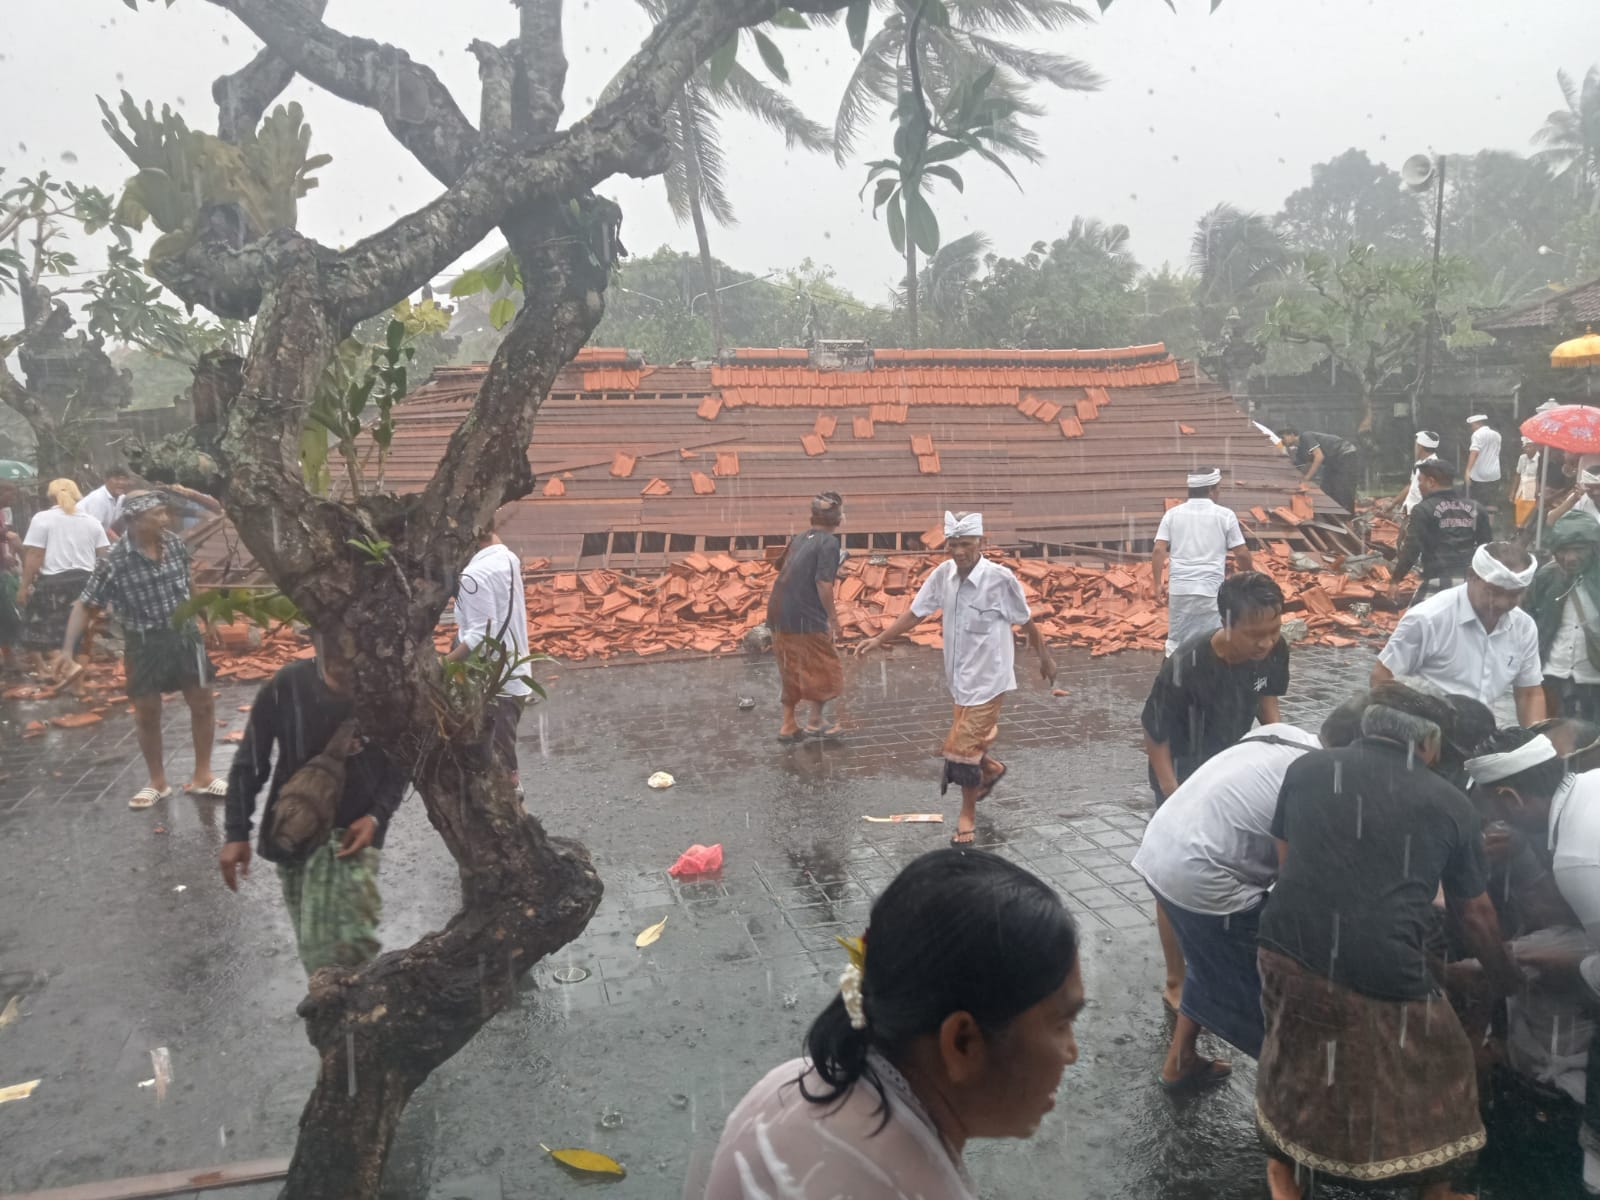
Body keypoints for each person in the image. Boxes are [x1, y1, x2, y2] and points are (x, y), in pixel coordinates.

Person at [703, 849, 1083, 1200]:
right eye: (1062, 1023)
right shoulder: (907, 1185)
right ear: (962, 1042)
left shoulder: (789, 1083)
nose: (1072, 1053)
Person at [1255, 702, 1522, 1200]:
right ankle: (1435, 1190)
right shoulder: (1448, 802)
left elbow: (1289, 861)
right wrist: (1505, 976)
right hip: (1377, 964)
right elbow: (1476, 915)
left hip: (1281, 945)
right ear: (1427, 744)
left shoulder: (1308, 768)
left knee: (1293, 1053)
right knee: (1442, 1061)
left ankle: (1283, 1175)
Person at [1132, 721, 1320, 1090]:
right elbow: (1296, 878)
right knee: (1261, 984)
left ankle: (1180, 1062)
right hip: (1204, 878)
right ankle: (1291, 1098)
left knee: (1209, 959)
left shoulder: (1286, 734)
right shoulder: (1320, 784)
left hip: (1160, 848)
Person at [856, 512, 1056, 847]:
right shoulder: (942, 576)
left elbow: (1026, 622)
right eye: (953, 544)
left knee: (960, 749)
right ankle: (990, 770)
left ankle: (967, 818)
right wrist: (880, 638)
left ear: (981, 543)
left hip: (990, 679)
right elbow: (915, 613)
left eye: (966, 544)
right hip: (959, 679)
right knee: (968, 743)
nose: (959, 551)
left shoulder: (1000, 580)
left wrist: (1046, 658)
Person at [1141, 570, 1290, 1010]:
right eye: (1253, 634)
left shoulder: (1274, 651)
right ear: (1226, 624)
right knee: (1171, 875)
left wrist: (1284, 752)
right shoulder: (1186, 663)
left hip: (1233, 769)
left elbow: (1267, 705)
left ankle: (1222, 956)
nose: (1264, 643)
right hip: (1183, 772)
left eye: (1273, 631)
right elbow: (1155, 734)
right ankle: (1176, 978)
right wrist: (1172, 793)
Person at [220, 636, 410, 976]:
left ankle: (353, 1019)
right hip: (293, 836)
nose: (344, 668)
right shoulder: (287, 686)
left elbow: (403, 761)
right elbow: (250, 762)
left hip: (351, 839)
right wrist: (236, 832)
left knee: (343, 950)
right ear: (318, 641)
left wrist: (376, 816)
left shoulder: (385, 691)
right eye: (335, 656)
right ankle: (348, 1016)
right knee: (316, 949)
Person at [1465, 727, 1600, 1197]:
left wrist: (1526, 965)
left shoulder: (1579, 856)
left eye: (1490, 807)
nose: (1489, 819)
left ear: (1510, 797)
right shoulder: (1589, 787)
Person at [58, 492, 218, 808]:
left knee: (202, 703)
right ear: (133, 520)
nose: (165, 519)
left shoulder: (174, 544)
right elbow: (85, 604)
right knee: (147, 712)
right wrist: (66, 652)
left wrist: (206, 618)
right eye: (156, 514)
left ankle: (203, 775)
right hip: (143, 643)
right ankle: (157, 782)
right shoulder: (114, 561)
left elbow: (188, 582)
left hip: (186, 637)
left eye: (164, 513)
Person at [1374, 541, 1546, 726]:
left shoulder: (1524, 627)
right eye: (1493, 592)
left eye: (1514, 595)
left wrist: (1537, 744)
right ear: (1471, 576)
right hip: (1427, 736)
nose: (1502, 603)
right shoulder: (1427, 619)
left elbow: (1529, 693)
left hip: (1481, 737)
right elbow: (1382, 678)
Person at [447, 526, 532, 781]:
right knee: (502, 751)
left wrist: (441, 665)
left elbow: (480, 636)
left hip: (493, 680)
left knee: (498, 761)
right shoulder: (507, 558)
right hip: (514, 674)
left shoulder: (474, 575)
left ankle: (512, 807)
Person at [768, 492, 845, 741]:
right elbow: (823, 584)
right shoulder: (829, 543)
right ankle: (814, 721)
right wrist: (833, 620)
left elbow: (779, 566)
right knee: (823, 665)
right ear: (837, 518)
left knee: (790, 666)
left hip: (779, 610)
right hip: (804, 613)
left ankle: (788, 725)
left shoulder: (801, 537)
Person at [1151, 467, 1252, 656]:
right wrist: (1251, 576)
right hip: (1210, 590)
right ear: (1212, 490)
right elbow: (1242, 553)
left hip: (1180, 589)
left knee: (1176, 641)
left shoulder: (1172, 514)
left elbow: (1158, 549)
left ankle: (1174, 678)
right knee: (1211, 641)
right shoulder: (1225, 515)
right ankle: (1206, 680)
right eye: (1219, 489)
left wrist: (1157, 584)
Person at [17, 478, 109, 676]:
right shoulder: (92, 522)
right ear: (77, 495)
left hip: (54, 584)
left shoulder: (42, 518)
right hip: (87, 582)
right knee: (81, 634)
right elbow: (104, 558)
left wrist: (24, 587)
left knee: (44, 631)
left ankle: (67, 668)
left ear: (50, 496)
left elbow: (35, 555)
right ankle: (78, 686)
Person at [1524, 513, 1600, 721]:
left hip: (1594, 679)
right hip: (1553, 675)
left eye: (1578, 549)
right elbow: (1527, 621)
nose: (1570, 557)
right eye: (1563, 550)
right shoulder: (1546, 578)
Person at [1388, 457, 1491, 604]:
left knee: (1417, 623)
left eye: (1420, 481)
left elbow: (1412, 548)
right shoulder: (1476, 508)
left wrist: (1395, 580)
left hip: (1437, 580)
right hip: (1470, 583)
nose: (1418, 486)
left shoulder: (1423, 510)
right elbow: (1486, 548)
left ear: (1431, 482)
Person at [1280, 426, 1359, 513]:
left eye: (1283, 437)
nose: (1282, 441)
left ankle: (1348, 517)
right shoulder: (1301, 452)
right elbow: (1299, 467)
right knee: (1326, 488)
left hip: (1345, 454)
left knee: (1342, 488)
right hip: (1332, 462)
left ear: (1292, 435)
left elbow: (1319, 457)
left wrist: (1307, 478)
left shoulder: (1306, 436)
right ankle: (1335, 514)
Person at [1383, 429, 1442, 524]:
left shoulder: (1433, 466)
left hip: (1420, 516)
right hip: (1409, 512)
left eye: (1416, 445)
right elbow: (1410, 486)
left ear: (1420, 447)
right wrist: (1393, 503)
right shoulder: (1419, 464)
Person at [78, 466, 134, 539]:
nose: (121, 482)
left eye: (124, 479)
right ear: (106, 480)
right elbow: (93, 530)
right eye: (117, 479)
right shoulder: (98, 499)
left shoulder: (122, 499)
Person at [0, 481, 20, 673]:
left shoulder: (3, 513)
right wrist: (5, 533)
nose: (13, 498)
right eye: (10, 494)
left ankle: (9, 656)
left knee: (6, 614)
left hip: (3, 567)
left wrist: (8, 555)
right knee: (6, 614)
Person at [1464, 413, 1503, 509]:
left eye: (1472, 425)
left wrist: (1468, 470)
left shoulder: (1477, 434)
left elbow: (1474, 452)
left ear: (1477, 423)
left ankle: (1478, 522)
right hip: (1494, 473)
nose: (1471, 428)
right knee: (1491, 502)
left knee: (1477, 502)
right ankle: (1490, 523)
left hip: (1480, 474)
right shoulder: (1497, 435)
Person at [1513, 436, 1543, 532]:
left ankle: (1527, 530)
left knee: (1530, 509)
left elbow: (1540, 476)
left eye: (1530, 447)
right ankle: (1518, 530)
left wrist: (1538, 490)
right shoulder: (1522, 458)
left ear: (1536, 447)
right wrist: (1513, 491)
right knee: (1519, 508)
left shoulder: (1540, 458)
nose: (1528, 449)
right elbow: (1517, 474)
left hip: (1533, 487)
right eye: (1526, 447)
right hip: (1522, 487)